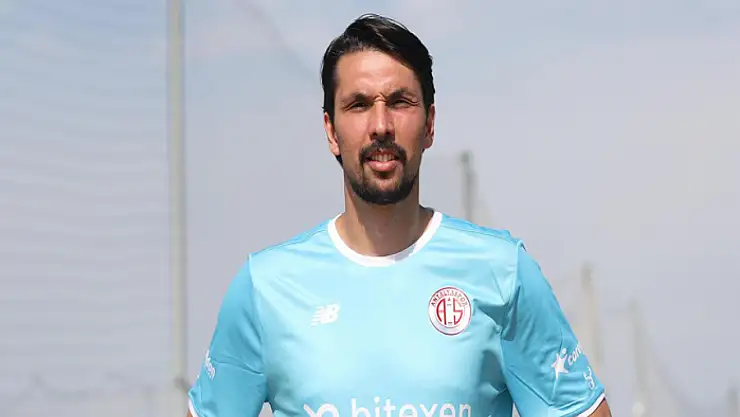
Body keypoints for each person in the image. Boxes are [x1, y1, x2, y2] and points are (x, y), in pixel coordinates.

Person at [186, 13, 612, 417]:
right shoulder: (265, 286)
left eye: (400, 102)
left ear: (429, 124)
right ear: (331, 131)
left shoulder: (502, 271)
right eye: (358, 105)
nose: (381, 125)